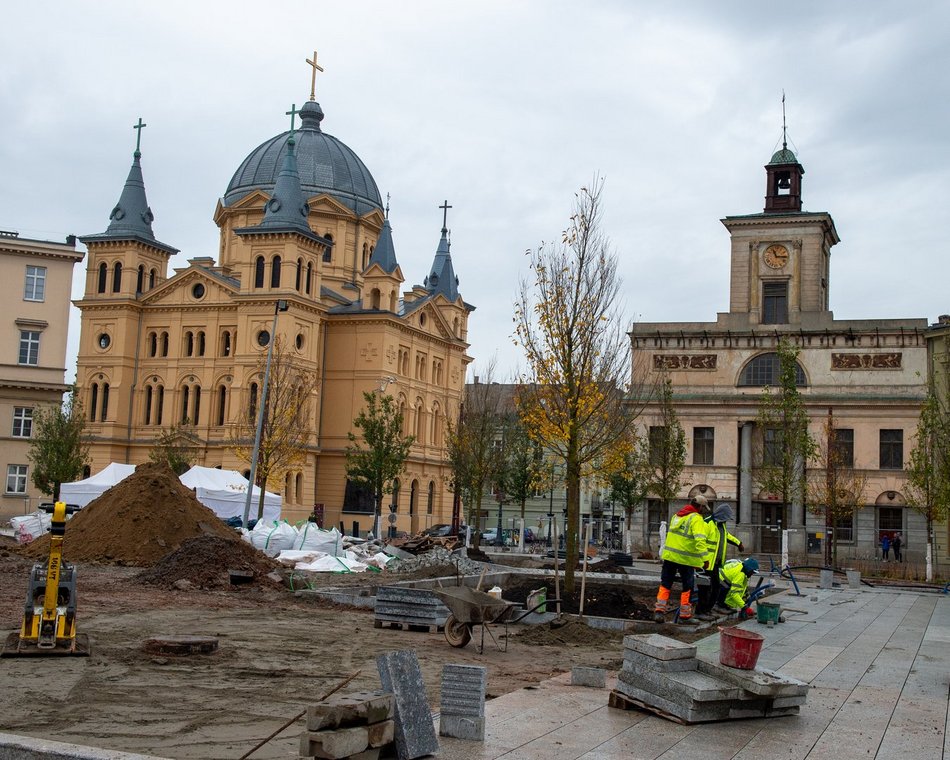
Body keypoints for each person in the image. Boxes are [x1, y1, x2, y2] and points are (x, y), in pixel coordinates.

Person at [654, 494, 710, 625]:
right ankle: (684, 616)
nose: (704, 510)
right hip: (685, 559)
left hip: (670, 557)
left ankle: (659, 612)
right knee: (687, 587)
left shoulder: (677, 516)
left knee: (665, 584)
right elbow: (700, 540)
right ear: (700, 506)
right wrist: (705, 559)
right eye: (704, 507)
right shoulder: (696, 518)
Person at [696, 503, 743, 619]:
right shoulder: (708, 523)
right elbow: (699, 542)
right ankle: (700, 612)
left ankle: (708, 609)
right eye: (726, 518)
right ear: (721, 515)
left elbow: (726, 536)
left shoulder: (721, 525)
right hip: (705, 563)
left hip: (715, 563)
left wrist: (738, 543)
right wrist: (702, 560)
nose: (727, 521)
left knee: (716, 587)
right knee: (704, 588)